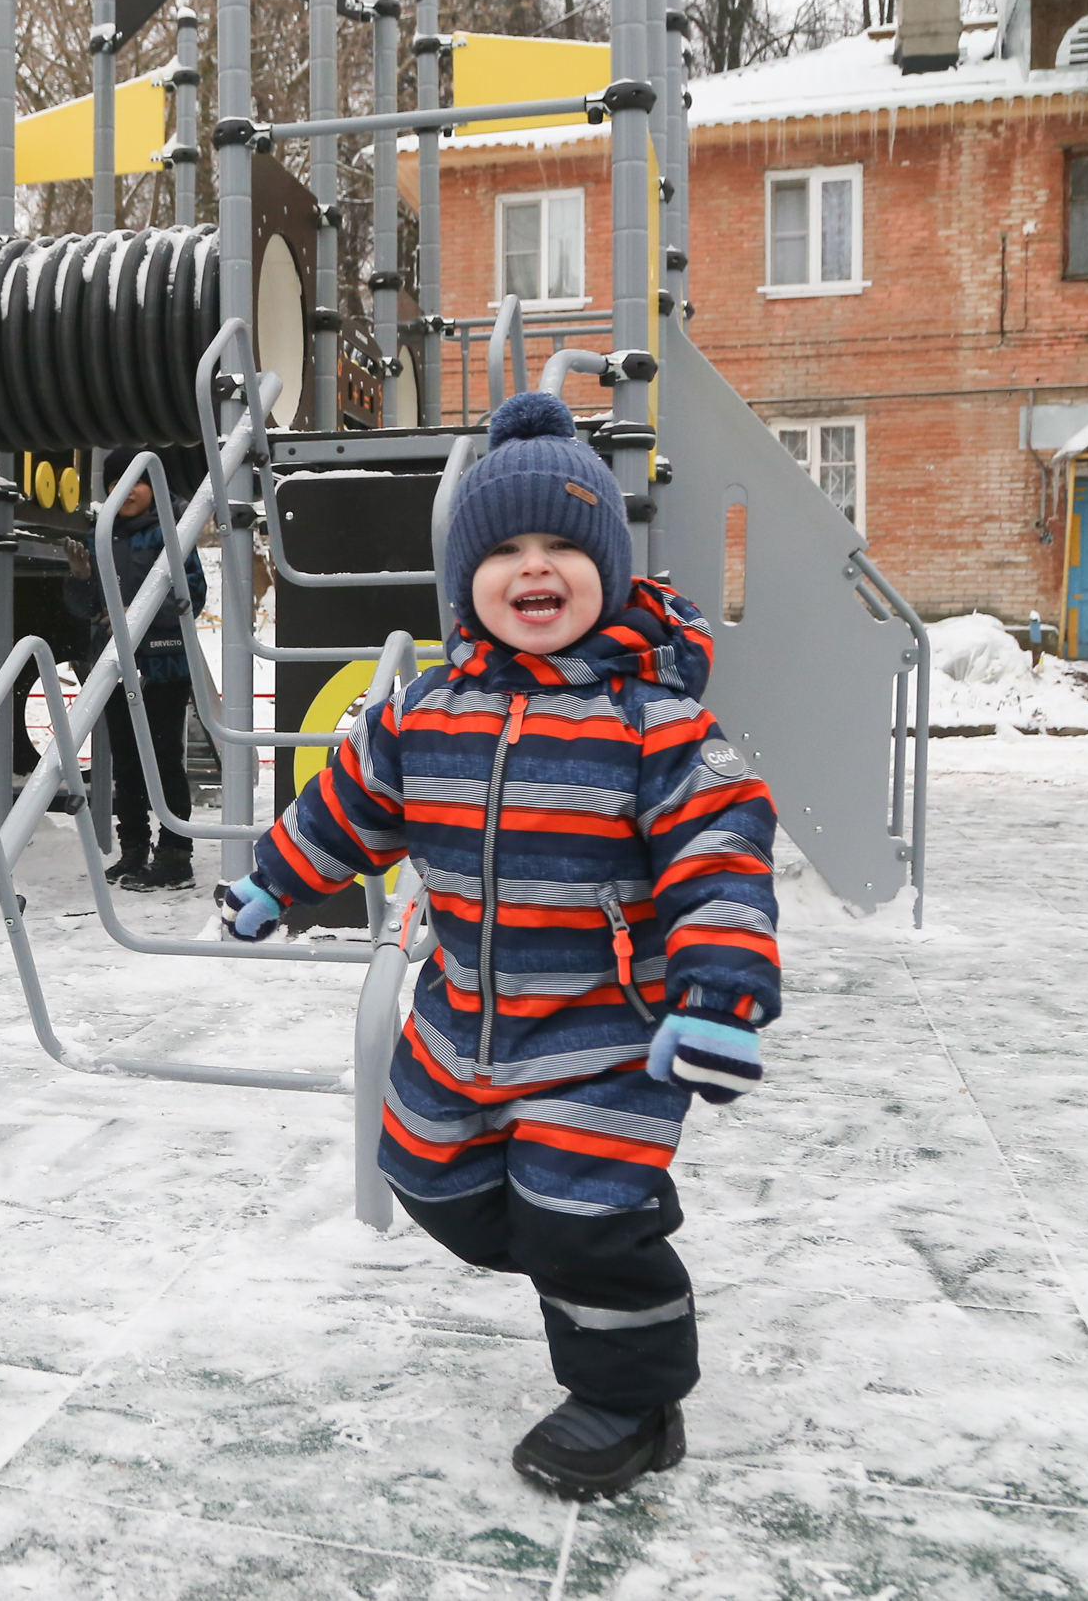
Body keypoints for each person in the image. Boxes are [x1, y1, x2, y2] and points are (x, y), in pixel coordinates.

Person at [219, 393, 781, 1501]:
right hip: (460, 1012)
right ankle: (598, 1233)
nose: (534, 570)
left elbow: (721, 856)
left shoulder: (654, 723)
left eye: (563, 547)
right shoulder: (426, 710)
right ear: (468, 579)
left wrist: (718, 994)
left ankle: (631, 1397)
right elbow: (347, 806)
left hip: (604, 1032)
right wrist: (274, 880)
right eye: (506, 551)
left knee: (578, 1216)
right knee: (422, 1173)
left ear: (608, 572)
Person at [64, 447, 206, 891]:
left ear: (153, 488)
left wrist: (135, 613)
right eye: (115, 484)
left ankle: (176, 853)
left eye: (135, 483)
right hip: (114, 665)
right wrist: (80, 577)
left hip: (162, 665)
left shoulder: (171, 534)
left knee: (163, 759)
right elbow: (83, 608)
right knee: (126, 762)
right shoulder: (100, 536)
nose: (125, 492)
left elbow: (191, 597)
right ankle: (133, 848)